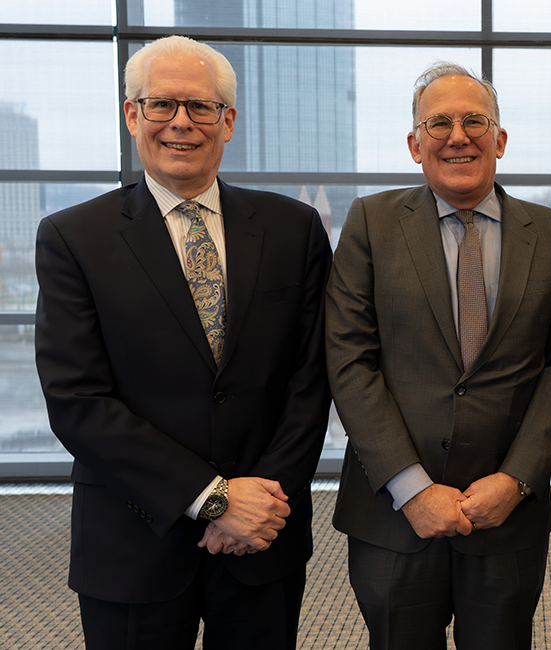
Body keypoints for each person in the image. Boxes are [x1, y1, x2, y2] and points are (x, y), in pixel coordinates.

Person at [34, 35, 332, 650]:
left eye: (200, 108)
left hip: (263, 540)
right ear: (131, 115)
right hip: (133, 540)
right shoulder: (73, 237)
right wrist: (213, 500)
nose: (180, 123)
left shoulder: (293, 229)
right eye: (161, 105)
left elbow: (312, 379)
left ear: (227, 122)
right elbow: (77, 399)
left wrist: (262, 500)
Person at [325, 61, 551, 650]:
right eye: (439, 122)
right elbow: (349, 359)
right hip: (393, 516)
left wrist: (518, 479)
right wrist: (411, 488)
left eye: (475, 121)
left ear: (499, 139)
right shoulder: (370, 222)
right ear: (414, 144)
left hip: (507, 515)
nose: (458, 135)